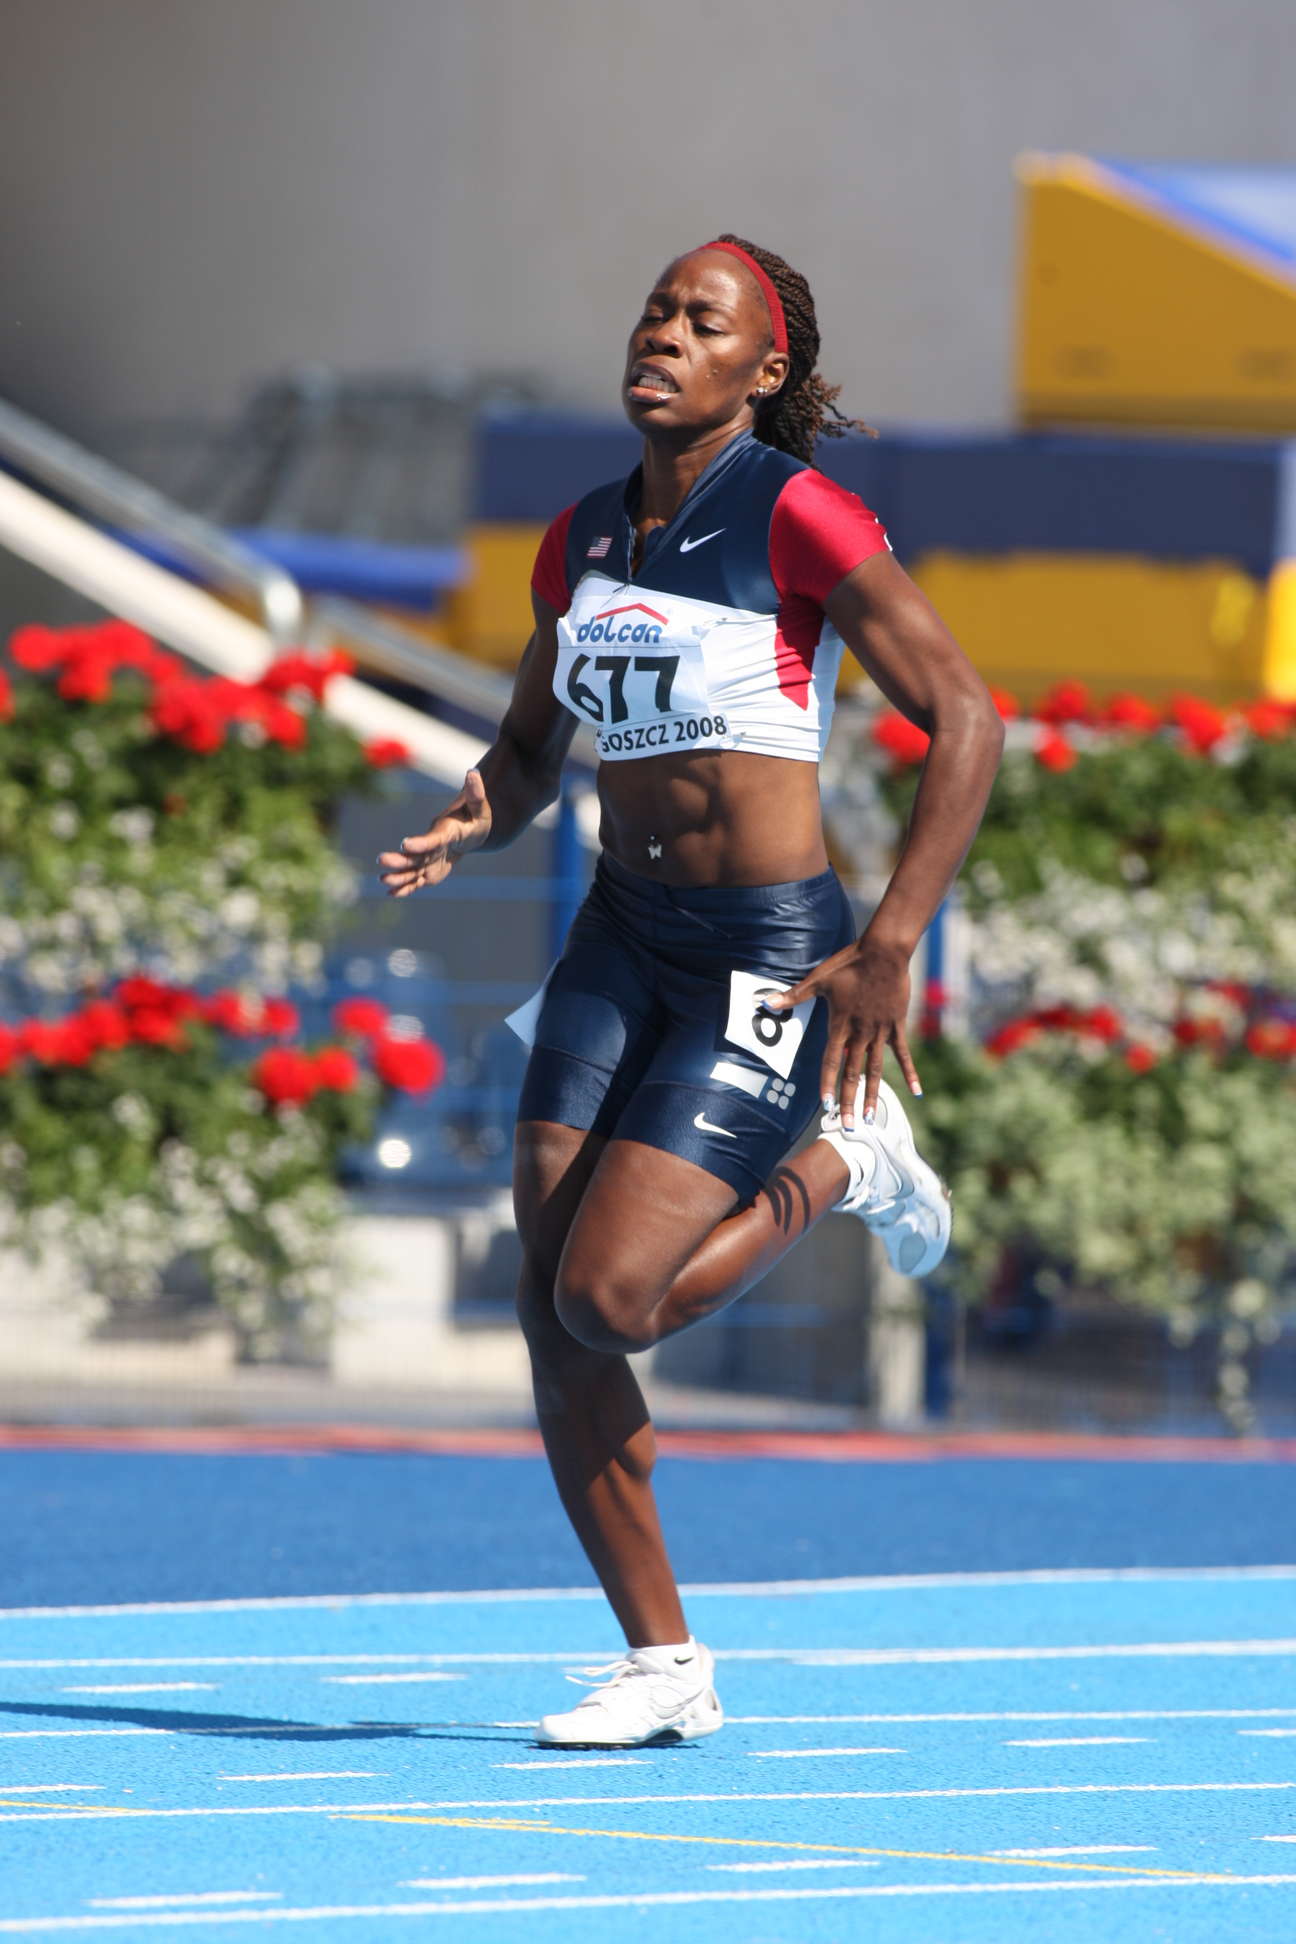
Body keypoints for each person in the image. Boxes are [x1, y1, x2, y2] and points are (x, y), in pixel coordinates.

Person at [379, 236, 1004, 1747]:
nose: (662, 334)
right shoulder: (582, 535)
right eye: (655, 310)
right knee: (549, 1311)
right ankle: (665, 1664)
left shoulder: (797, 513)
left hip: (762, 949)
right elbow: (533, 747)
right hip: (618, 934)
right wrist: (479, 810)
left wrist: (892, 943)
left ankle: (845, 1160)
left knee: (611, 1299)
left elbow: (969, 717)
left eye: (701, 321)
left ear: (763, 369)